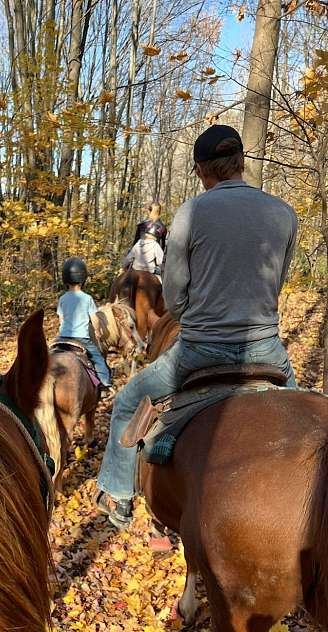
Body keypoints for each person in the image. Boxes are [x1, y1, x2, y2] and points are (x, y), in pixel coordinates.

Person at [95, 124, 298, 528]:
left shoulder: (191, 212)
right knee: (306, 417)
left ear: (203, 170)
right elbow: (278, 282)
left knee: (126, 403)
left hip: (199, 351)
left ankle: (118, 494)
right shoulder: (284, 213)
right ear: (240, 163)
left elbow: (174, 297)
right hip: (266, 349)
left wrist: (199, 318)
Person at [57, 257, 112, 390]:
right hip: (82, 339)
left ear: (65, 279)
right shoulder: (87, 299)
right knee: (99, 360)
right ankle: (105, 383)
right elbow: (95, 319)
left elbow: (61, 319)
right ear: (83, 279)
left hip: (63, 338)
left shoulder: (62, 298)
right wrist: (98, 332)